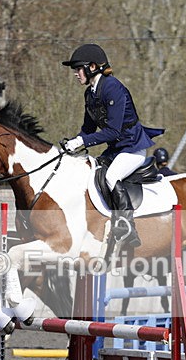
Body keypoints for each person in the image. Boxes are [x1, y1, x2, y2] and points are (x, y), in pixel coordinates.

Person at [61, 43, 163, 248]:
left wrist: (82, 141)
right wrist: (72, 145)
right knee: (90, 171)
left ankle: (127, 227)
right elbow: (88, 130)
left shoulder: (112, 88)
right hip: (116, 150)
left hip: (133, 148)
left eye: (77, 68)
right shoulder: (90, 93)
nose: (75, 73)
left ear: (92, 67)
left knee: (111, 176)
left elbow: (114, 131)